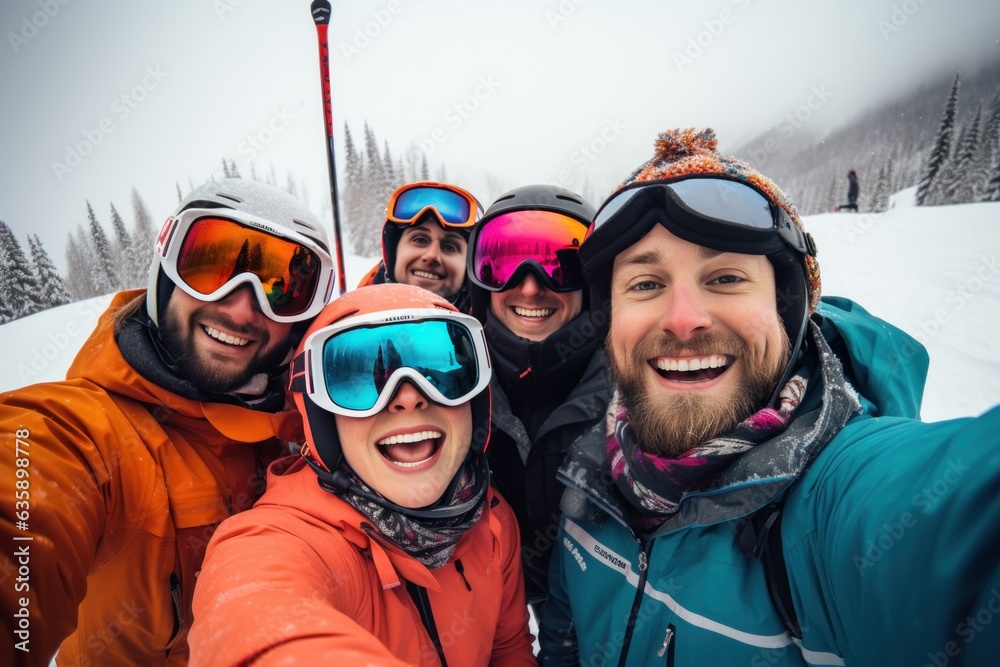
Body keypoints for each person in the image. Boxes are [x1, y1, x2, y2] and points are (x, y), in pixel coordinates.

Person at [539, 129, 1000, 665]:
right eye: (645, 284)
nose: (683, 319)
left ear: (789, 313)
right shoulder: (590, 476)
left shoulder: (833, 505)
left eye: (726, 277)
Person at [0, 178, 335, 666]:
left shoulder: (311, 425)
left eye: (281, 290)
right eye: (210, 268)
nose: (241, 308)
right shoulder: (81, 434)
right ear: (165, 269)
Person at [187, 284, 536, 666]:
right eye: (358, 383)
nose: (407, 397)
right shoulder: (281, 539)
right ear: (322, 421)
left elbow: (509, 650)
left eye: (440, 373)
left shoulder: (492, 519)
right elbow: (254, 623)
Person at [465, 185, 612, 616]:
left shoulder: (635, 386)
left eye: (559, 267)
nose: (530, 287)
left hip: (591, 616)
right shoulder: (450, 385)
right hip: (491, 615)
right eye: (501, 265)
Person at [358, 181, 482, 312]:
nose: (432, 255)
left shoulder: (489, 329)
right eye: (420, 240)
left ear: (469, 266)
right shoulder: (352, 325)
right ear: (393, 252)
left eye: (449, 247)